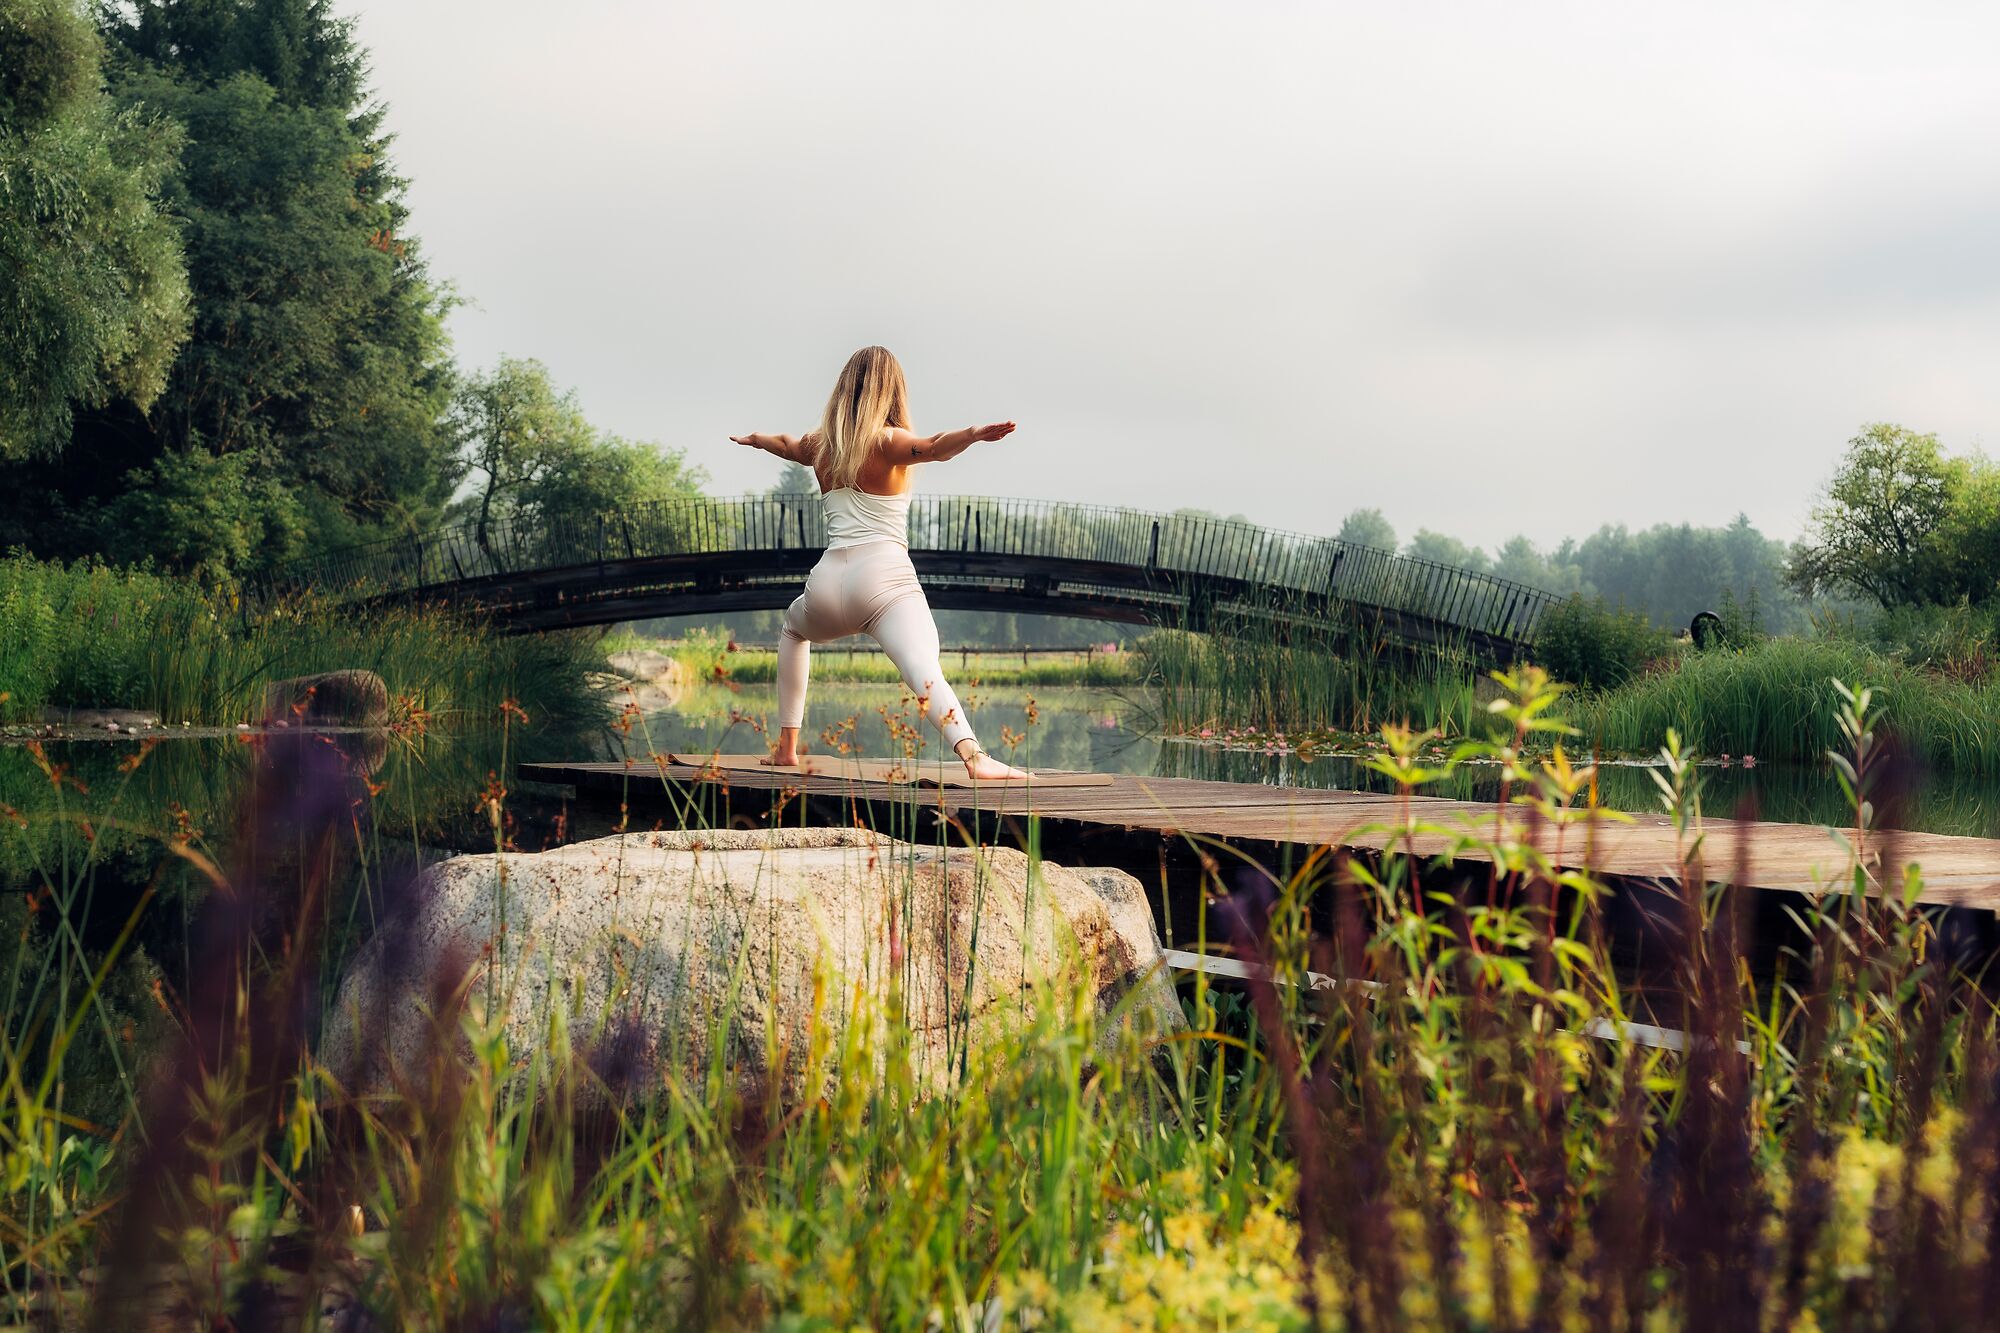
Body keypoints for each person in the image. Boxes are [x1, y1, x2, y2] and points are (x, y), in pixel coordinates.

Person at [731, 346, 1029, 780]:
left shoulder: (820, 446)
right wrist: (973, 433)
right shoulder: (887, 441)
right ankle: (974, 758)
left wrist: (753, 440)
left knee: (794, 630)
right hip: (884, 580)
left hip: (828, 581)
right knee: (922, 664)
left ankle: (786, 749)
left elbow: (784, 444)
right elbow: (934, 447)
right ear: (892, 391)